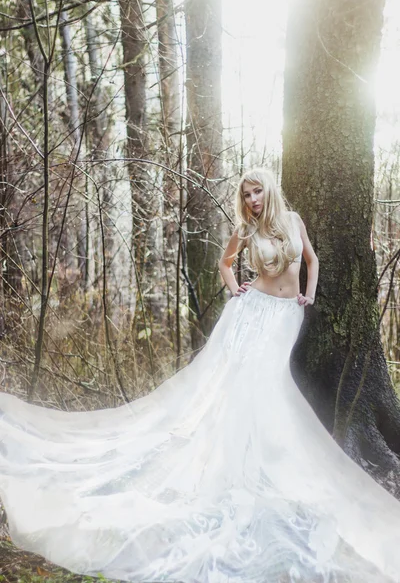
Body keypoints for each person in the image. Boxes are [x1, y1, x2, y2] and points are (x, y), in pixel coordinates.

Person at [1, 168, 400, 583]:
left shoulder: (294, 221)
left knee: (268, 385)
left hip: (286, 316)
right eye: (246, 195)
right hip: (252, 313)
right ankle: (240, 466)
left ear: (270, 189)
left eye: (257, 191)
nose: (252, 200)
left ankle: (258, 463)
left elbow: (312, 260)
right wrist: (235, 289)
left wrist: (309, 296)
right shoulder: (246, 228)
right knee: (251, 387)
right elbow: (225, 263)